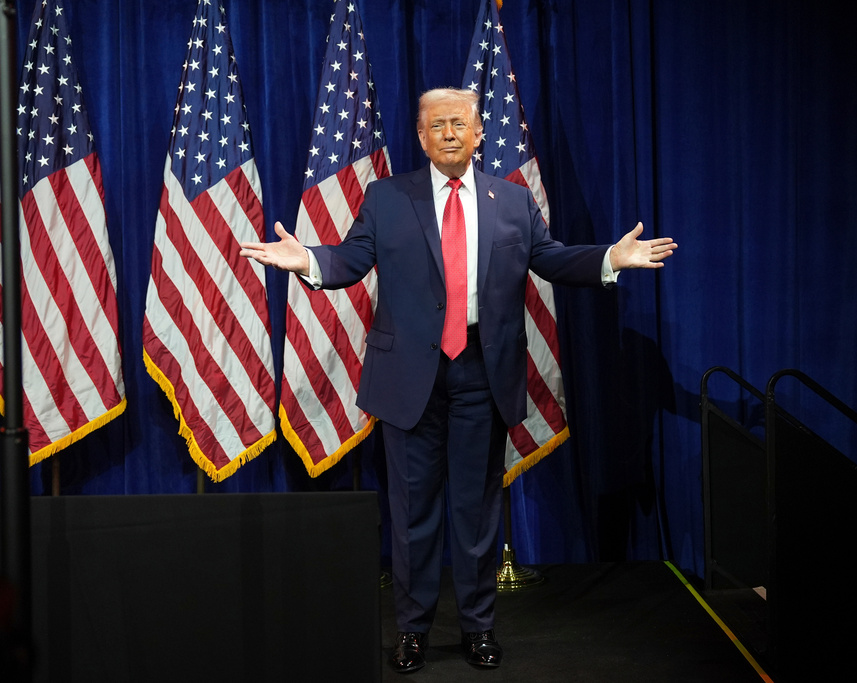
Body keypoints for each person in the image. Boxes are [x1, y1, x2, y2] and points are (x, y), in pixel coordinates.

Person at [241, 87, 675, 674]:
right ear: (421, 137)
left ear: (478, 134)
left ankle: (478, 627)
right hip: (408, 377)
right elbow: (352, 259)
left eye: (459, 124)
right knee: (413, 514)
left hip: (481, 373)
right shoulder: (387, 196)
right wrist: (311, 262)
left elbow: (549, 258)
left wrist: (608, 260)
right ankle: (413, 631)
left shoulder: (512, 200)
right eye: (437, 125)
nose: (449, 133)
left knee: (475, 512)